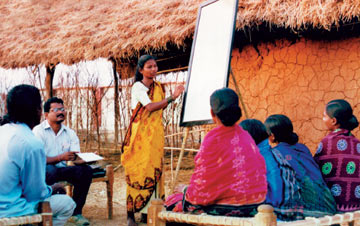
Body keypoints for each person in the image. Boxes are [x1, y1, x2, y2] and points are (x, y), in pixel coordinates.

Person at [165, 88, 267, 217]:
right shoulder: (247, 137)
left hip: (225, 209)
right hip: (255, 206)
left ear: (212, 113)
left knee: (172, 202)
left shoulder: (213, 139)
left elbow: (201, 188)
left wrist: (185, 191)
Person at [121, 55, 185, 225]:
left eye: (155, 66)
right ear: (141, 70)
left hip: (154, 136)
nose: (153, 69)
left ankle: (148, 211)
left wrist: (171, 98)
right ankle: (130, 214)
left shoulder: (158, 87)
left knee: (154, 170)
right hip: (139, 138)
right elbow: (149, 107)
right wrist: (173, 97)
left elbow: (159, 110)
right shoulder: (137, 87)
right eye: (149, 67)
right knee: (138, 172)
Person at [0, 84, 75, 226]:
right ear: (39, 111)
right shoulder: (31, 143)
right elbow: (35, 194)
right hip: (9, 211)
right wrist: (52, 188)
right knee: (67, 204)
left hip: (8, 199)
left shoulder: (3, 132)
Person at [33, 97, 92, 226]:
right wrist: (60, 157)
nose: (61, 112)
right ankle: (44, 210)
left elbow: (74, 157)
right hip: (44, 169)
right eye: (56, 109)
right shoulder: (38, 131)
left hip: (63, 169)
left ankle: (76, 213)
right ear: (46, 114)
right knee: (50, 170)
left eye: (63, 109)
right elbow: (38, 160)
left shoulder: (69, 133)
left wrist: (87, 158)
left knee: (86, 171)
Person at [264, 114, 336, 217]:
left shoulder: (275, 154)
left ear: (272, 136)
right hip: (329, 206)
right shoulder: (303, 148)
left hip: (308, 211)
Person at [240, 119, 304, 220]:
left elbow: (276, 194)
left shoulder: (261, 158)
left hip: (279, 215)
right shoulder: (271, 153)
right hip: (289, 213)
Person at [314, 99, 360, 212]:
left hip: (334, 206)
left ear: (333, 121)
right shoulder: (357, 143)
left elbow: (315, 169)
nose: (323, 119)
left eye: (324, 116)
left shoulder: (327, 143)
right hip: (357, 205)